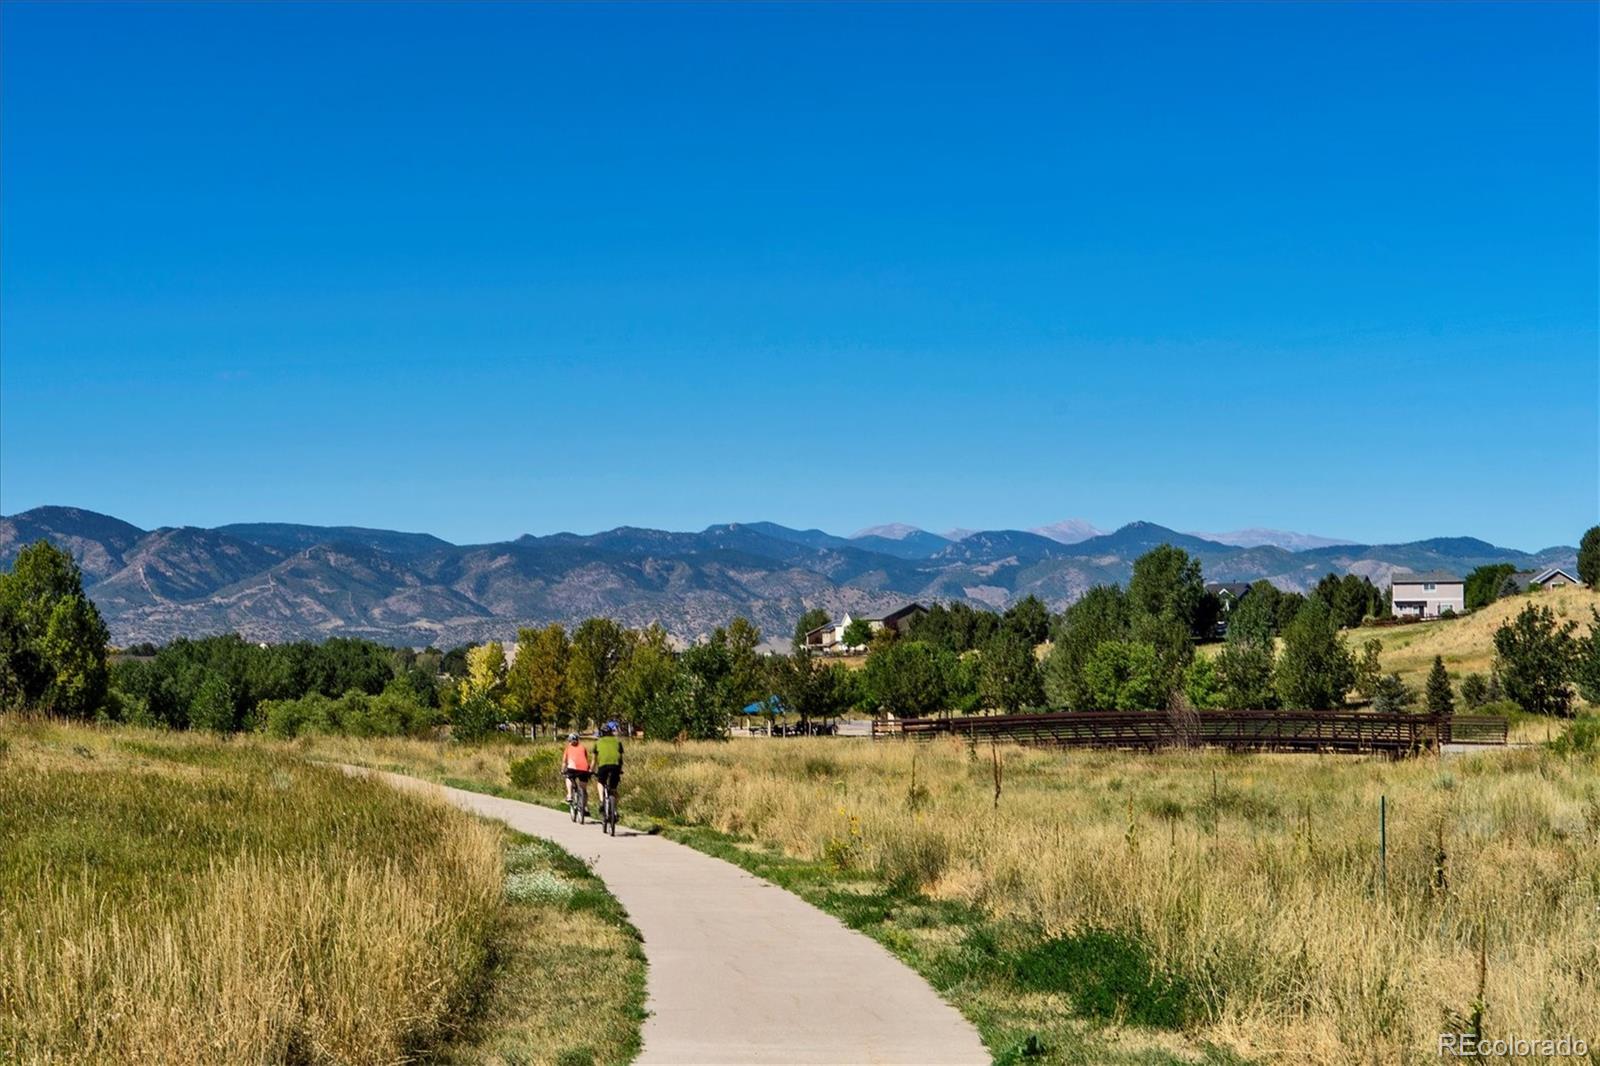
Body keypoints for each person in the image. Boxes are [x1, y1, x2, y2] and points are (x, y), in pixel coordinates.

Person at [592, 721, 624, 816]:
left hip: (603, 766)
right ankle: (615, 810)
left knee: (600, 782)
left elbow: (594, 760)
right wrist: (620, 769)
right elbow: (620, 758)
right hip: (616, 766)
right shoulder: (618, 742)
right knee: (613, 789)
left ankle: (602, 801)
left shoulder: (597, 742)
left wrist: (591, 770)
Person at [562, 732, 591, 809]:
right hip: (584, 769)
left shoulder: (568, 748)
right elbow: (586, 759)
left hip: (572, 768)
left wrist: (562, 770)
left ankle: (570, 795)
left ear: (569, 740)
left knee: (568, 777)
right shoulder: (583, 747)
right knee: (584, 790)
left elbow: (564, 762)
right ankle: (585, 807)